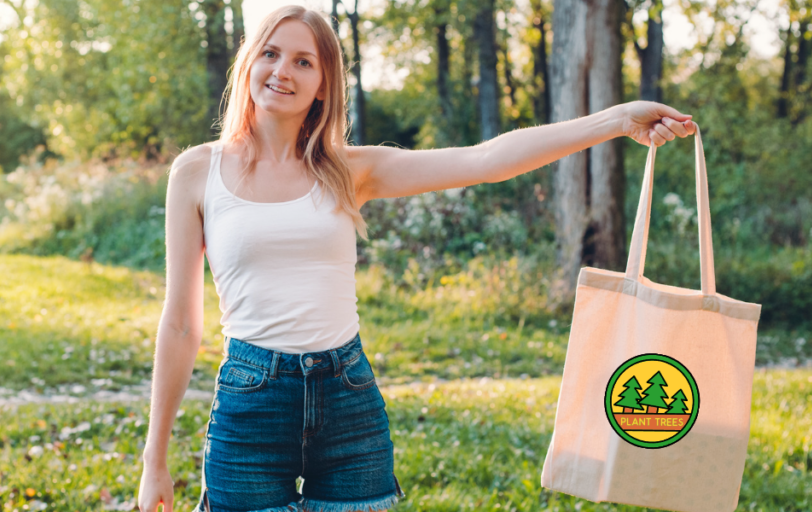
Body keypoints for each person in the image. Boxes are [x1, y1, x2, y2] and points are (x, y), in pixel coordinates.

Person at [136, 5, 696, 512]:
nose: (283, 70)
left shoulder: (351, 170)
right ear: (249, 63)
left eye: (303, 61)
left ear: (323, 85)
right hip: (250, 400)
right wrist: (153, 458)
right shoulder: (197, 172)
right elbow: (182, 323)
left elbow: (486, 160)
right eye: (271, 53)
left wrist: (617, 120)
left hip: (347, 396)